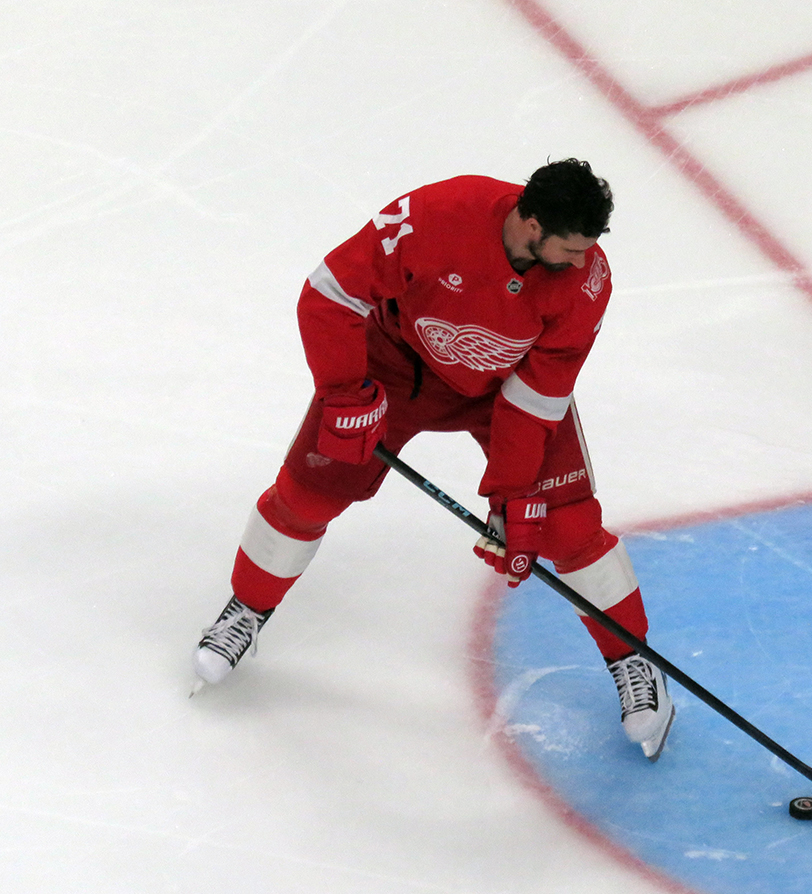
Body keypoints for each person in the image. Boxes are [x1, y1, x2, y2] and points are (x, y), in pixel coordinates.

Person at [192, 158, 675, 761]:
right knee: (308, 494)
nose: (582, 262)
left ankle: (634, 660)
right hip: (394, 371)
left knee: (566, 526)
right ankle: (245, 612)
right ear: (531, 222)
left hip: (505, 393)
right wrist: (345, 393)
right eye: (570, 248)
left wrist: (513, 490)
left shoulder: (586, 281)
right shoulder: (438, 216)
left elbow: (540, 390)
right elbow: (329, 293)